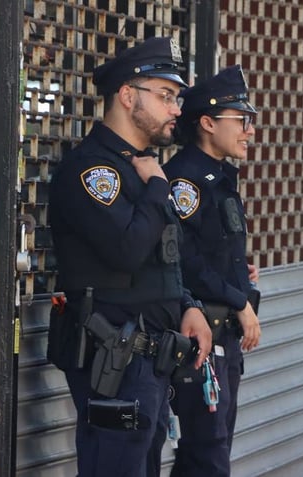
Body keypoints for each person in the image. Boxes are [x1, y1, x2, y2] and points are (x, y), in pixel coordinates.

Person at [46, 36, 212, 477]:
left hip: (151, 359)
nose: (177, 108)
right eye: (165, 96)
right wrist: (158, 188)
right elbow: (126, 250)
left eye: (176, 97)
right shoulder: (94, 171)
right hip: (114, 359)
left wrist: (188, 307)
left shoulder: (141, 168)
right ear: (126, 95)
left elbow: (164, 258)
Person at [162, 64, 262, 477]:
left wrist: (240, 276)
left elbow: (213, 249)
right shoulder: (185, 181)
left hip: (224, 342)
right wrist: (237, 299)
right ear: (207, 123)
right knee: (208, 457)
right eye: (240, 120)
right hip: (201, 339)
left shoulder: (218, 178)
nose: (249, 130)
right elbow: (182, 259)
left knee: (202, 456)